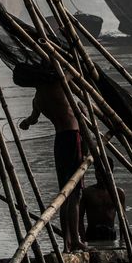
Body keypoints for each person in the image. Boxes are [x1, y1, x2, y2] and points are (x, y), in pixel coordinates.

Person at [15, 63, 84, 252]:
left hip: (59, 140)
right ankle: (76, 240)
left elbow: (31, 120)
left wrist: (25, 124)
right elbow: (74, 70)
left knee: (64, 194)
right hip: (73, 136)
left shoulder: (37, 99)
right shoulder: (58, 84)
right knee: (75, 193)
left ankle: (67, 243)